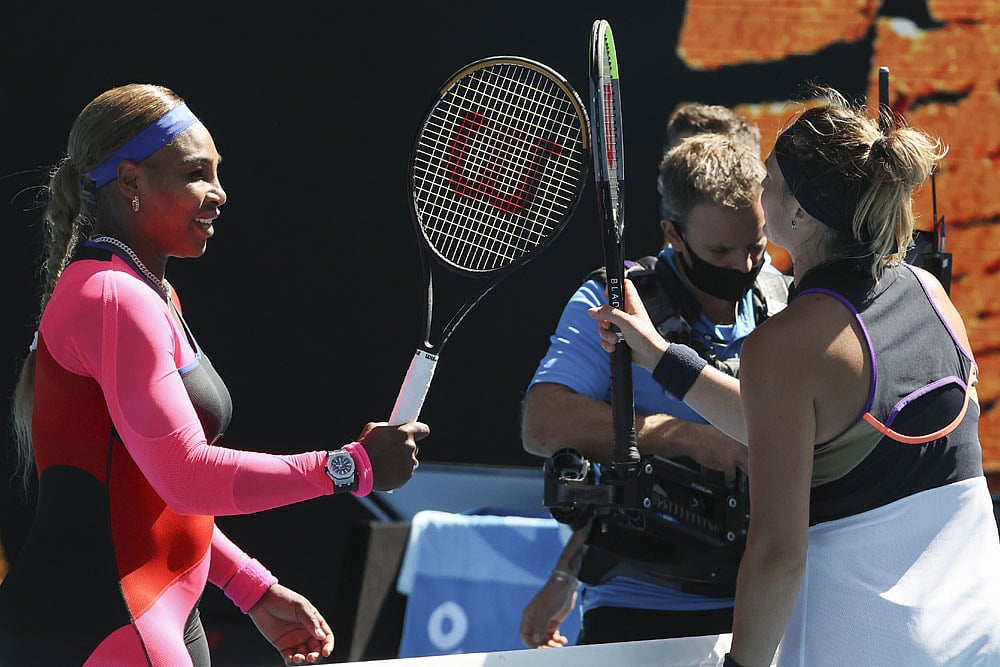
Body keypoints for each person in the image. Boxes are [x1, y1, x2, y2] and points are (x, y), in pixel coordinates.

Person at [0, 83, 430, 667]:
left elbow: (150, 492)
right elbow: (186, 476)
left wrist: (250, 587)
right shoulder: (112, 297)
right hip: (101, 623)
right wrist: (350, 468)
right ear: (131, 182)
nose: (219, 192)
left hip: (158, 611)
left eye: (217, 172)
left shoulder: (148, 292)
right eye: (196, 173)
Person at [589, 86, 1000, 666]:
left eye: (770, 178)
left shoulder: (784, 348)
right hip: (978, 639)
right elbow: (789, 428)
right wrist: (659, 356)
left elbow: (778, 554)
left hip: (867, 651)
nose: (759, 187)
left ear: (800, 214)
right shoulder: (930, 293)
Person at [519, 103, 790, 648]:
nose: (741, 266)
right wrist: (687, 436)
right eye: (720, 250)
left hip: (764, 599)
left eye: (756, 247)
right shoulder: (616, 299)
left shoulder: (783, 298)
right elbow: (542, 425)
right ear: (673, 233)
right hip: (640, 601)